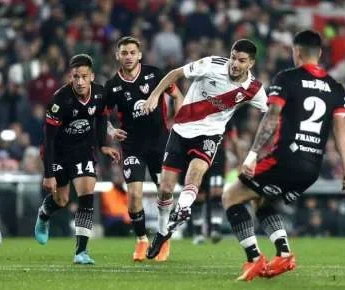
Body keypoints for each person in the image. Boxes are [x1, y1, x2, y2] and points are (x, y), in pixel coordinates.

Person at [221, 30, 345, 282]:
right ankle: (283, 254)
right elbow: (341, 133)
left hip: (284, 160)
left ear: (297, 52)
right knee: (264, 202)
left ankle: (254, 258)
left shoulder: (287, 78)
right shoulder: (336, 88)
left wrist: (251, 155)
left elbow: (271, 117)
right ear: (320, 54)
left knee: (231, 196)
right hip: (311, 168)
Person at [143, 39, 268, 259]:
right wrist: (155, 95)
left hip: (210, 134)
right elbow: (175, 74)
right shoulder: (211, 65)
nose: (235, 64)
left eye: (241, 60)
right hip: (181, 130)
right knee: (165, 189)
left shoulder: (254, 89)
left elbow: (273, 111)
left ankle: (182, 209)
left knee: (197, 170)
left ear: (251, 63)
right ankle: (163, 232)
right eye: (233, 57)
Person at [103, 36, 184, 262]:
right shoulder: (112, 86)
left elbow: (177, 95)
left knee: (165, 192)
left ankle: (163, 237)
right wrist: (110, 131)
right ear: (117, 56)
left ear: (139, 55)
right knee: (134, 195)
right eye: (124, 53)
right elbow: (100, 117)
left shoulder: (155, 74)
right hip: (132, 146)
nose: (128, 57)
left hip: (160, 144)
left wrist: (178, 122)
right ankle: (141, 240)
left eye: (132, 52)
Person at [34, 54, 120, 265]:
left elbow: (101, 117)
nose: (80, 81)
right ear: (70, 77)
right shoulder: (59, 100)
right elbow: (49, 140)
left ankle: (81, 251)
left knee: (86, 194)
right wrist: (49, 174)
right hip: (58, 151)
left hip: (83, 149)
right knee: (61, 200)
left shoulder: (100, 94)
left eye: (83, 76)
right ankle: (44, 214)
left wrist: (102, 145)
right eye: (75, 77)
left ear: (91, 76)